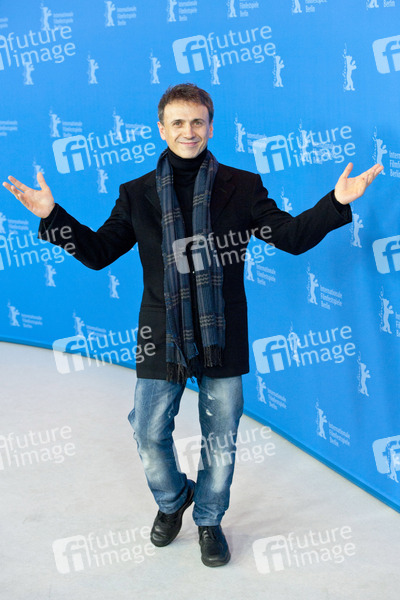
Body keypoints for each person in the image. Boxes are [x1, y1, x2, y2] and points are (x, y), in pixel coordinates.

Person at [2, 83, 383, 568]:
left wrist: (335, 202)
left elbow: (289, 237)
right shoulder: (136, 193)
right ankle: (173, 499)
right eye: (178, 122)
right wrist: (52, 217)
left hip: (221, 329)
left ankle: (208, 519)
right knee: (146, 431)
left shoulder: (242, 186)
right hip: (160, 329)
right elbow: (99, 254)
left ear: (210, 127)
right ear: (162, 129)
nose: (189, 131)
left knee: (220, 438)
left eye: (197, 122)